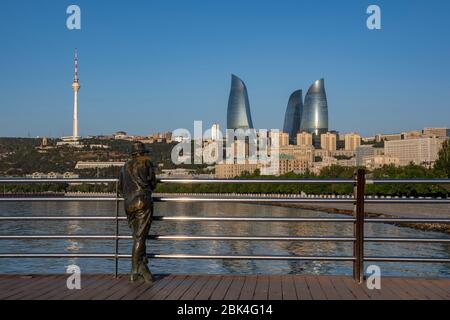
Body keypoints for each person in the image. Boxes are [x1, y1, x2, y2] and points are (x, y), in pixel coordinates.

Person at [118, 141, 157, 283]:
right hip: (142, 202)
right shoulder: (146, 163)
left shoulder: (124, 166)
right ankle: (135, 270)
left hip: (128, 204)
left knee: (137, 236)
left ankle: (142, 266)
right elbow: (153, 184)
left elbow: (120, 188)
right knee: (140, 237)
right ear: (143, 153)